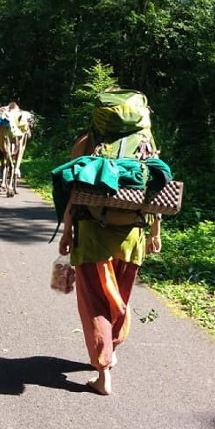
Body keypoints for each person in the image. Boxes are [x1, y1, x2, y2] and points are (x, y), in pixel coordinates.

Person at [57, 133, 162, 396]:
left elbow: (75, 190)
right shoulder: (144, 140)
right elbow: (157, 188)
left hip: (93, 235)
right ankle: (111, 348)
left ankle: (103, 373)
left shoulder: (88, 140)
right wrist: (155, 232)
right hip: (132, 235)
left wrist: (67, 230)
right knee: (120, 297)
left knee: (95, 300)